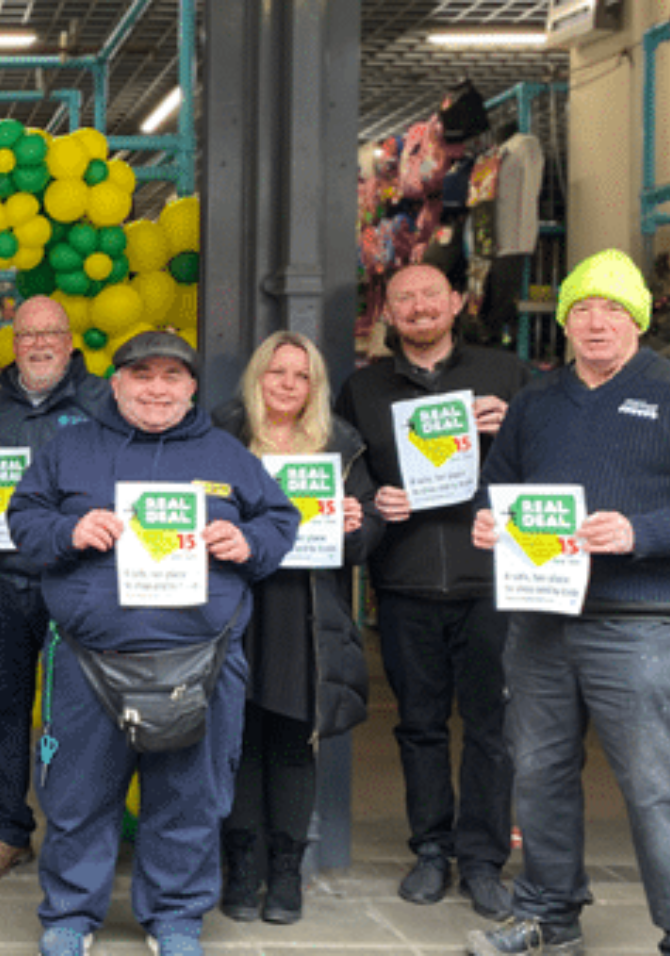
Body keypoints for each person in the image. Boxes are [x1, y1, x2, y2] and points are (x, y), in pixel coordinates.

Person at [9, 331, 299, 956]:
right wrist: (69, 527)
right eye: (143, 375)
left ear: (192, 388)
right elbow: (23, 518)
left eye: (172, 376)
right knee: (78, 793)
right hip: (90, 659)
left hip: (201, 659)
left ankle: (174, 918)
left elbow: (280, 520)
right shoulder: (71, 449)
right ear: (116, 383)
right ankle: (70, 914)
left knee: (188, 796)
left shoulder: (227, 455)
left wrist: (251, 544)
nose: (157, 388)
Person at [467, 249, 670, 956]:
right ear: (565, 322)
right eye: (580, 309)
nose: (594, 322)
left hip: (638, 627)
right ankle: (549, 916)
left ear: (636, 317)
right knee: (538, 776)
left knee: (660, 789)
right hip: (540, 621)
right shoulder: (538, 400)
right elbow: (499, 488)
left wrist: (640, 531)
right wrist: (488, 520)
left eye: (610, 308)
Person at [333, 262, 528, 920]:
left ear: (456, 301)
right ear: (387, 312)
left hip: (491, 580)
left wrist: (511, 432)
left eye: (428, 295)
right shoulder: (363, 389)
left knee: (491, 728)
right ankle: (430, 850)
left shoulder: (506, 375)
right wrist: (373, 499)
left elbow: (548, 467)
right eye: (402, 299)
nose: (417, 307)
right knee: (417, 726)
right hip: (406, 579)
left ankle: (483, 858)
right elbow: (340, 480)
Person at [211, 331, 383, 925]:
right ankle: (242, 869)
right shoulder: (223, 438)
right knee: (236, 746)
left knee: (290, 747)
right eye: (276, 372)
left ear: (315, 386)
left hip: (305, 615)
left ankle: (286, 875)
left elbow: (363, 545)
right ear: (257, 378)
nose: (287, 384)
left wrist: (359, 524)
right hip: (236, 607)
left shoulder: (342, 447)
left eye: (300, 375)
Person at [0, 295, 109, 880]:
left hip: (75, 580)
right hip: (1, 580)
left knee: (78, 713)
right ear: (13, 344)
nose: (38, 345)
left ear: (69, 341)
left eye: (50, 334)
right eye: (27, 335)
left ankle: (75, 833)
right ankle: (6, 831)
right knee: (1, 707)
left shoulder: (102, 403)